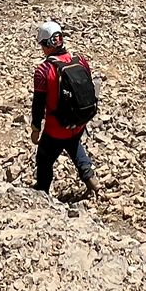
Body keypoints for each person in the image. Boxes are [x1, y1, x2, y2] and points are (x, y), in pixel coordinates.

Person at [31, 20, 97, 197]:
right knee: (74, 145)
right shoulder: (80, 60)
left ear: (46, 45)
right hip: (79, 121)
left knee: (44, 159)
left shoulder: (43, 70)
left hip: (56, 128)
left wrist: (35, 128)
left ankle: (42, 192)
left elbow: (38, 104)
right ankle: (90, 178)